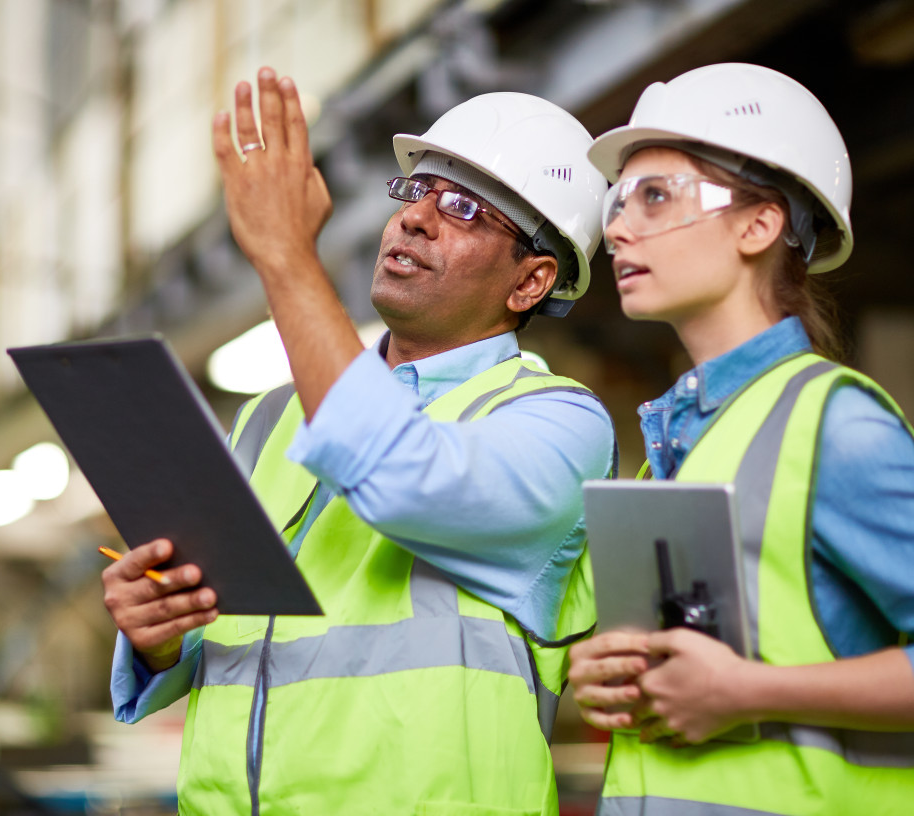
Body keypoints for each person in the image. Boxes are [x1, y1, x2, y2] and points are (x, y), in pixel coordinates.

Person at [101, 66, 616, 815]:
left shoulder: (557, 425)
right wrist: (156, 634)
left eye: (465, 208)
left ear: (531, 282)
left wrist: (285, 255)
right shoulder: (271, 415)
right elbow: (224, 635)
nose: (416, 220)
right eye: (417, 192)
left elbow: (403, 478)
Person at [569, 63, 914, 815]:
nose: (619, 229)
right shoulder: (672, 445)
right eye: (617, 202)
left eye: (656, 196)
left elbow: (734, 683)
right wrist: (605, 670)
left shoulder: (837, 425)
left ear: (759, 225)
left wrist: (748, 691)